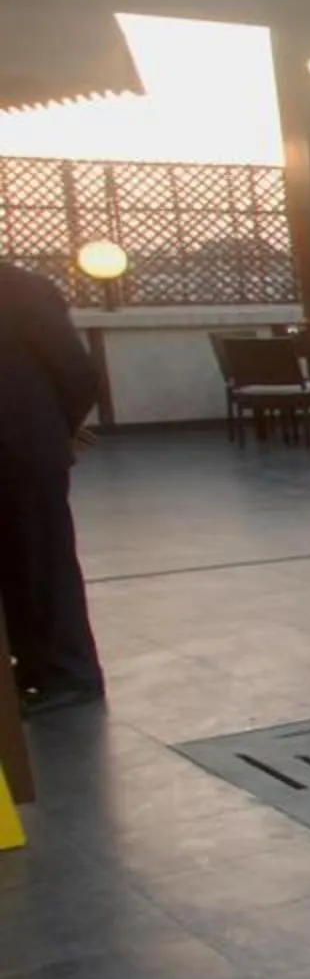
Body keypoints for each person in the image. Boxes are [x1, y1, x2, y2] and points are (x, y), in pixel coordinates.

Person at [0, 257, 103, 714]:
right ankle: (34, 665)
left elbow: (76, 373)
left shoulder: (22, 288)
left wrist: (53, 428)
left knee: (41, 561)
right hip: (28, 442)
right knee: (17, 567)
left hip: (24, 451)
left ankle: (68, 673)